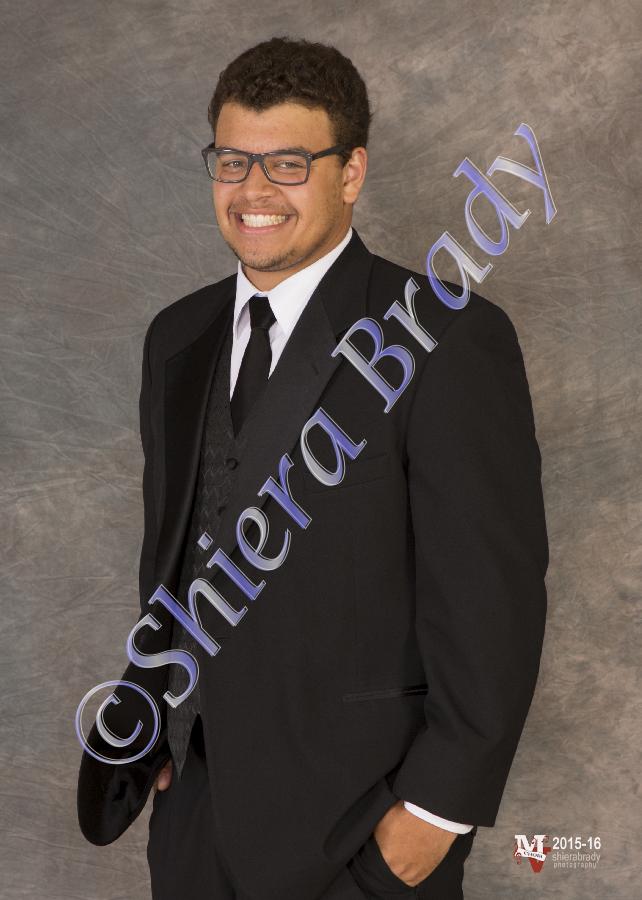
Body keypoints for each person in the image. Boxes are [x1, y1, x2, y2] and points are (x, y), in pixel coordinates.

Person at [77, 36, 548, 900]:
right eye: (232, 161)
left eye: (288, 164)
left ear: (351, 171)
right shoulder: (176, 338)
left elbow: (494, 606)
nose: (253, 190)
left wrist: (433, 814)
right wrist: (153, 729)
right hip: (193, 817)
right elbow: (173, 556)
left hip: (356, 828)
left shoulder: (444, 338)